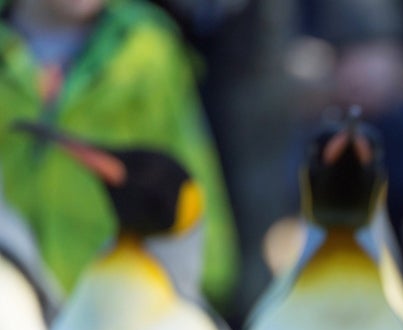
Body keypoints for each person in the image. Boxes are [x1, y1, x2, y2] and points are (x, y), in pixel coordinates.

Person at [0, 0, 239, 308]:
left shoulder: (143, 47)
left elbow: (187, 171)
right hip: (12, 297)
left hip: (116, 297)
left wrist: (203, 281)